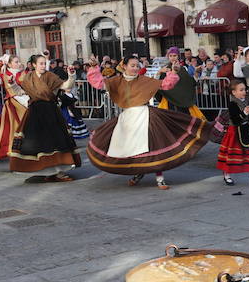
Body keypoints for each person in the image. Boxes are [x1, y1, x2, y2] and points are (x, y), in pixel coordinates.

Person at [86, 56, 209, 190]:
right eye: (132, 65)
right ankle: (138, 173)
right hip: (127, 119)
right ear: (125, 66)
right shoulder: (116, 81)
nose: (135, 68)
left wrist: (173, 72)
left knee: (153, 146)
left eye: (137, 66)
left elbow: (165, 84)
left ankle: (160, 178)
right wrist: (93, 68)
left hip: (146, 116)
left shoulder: (144, 80)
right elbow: (98, 83)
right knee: (132, 150)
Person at [9, 55, 80, 180]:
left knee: (55, 141)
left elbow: (66, 86)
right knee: (38, 143)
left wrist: (71, 75)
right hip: (35, 112)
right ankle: (44, 171)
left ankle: (58, 172)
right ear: (34, 65)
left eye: (44, 63)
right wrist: (12, 84)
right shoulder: (28, 77)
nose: (43, 66)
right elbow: (20, 92)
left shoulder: (50, 76)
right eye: (40, 63)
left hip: (50, 111)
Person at [216, 80, 249, 186]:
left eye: (244, 89)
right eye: (241, 90)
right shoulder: (232, 104)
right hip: (235, 132)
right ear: (234, 92)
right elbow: (236, 120)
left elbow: (246, 113)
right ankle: (227, 175)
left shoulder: (244, 101)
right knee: (232, 155)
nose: (244, 92)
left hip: (245, 130)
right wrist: (245, 112)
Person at [158, 48, 206, 119]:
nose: (172, 58)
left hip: (183, 102)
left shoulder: (183, 69)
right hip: (170, 102)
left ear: (178, 56)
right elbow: (160, 86)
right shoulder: (165, 69)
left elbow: (190, 82)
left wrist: (196, 73)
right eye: (170, 56)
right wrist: (159, 73)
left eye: (174, 55)